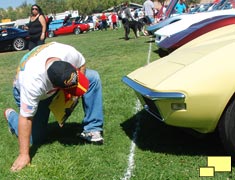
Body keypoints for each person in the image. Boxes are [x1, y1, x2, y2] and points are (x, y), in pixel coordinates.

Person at [4, 42, 104, 172]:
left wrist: (73, 93)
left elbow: (82, 65)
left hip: (54, 87)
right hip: (30, 94)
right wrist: (24, 155)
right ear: (55, 85)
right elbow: (26, 118)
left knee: (93, 77)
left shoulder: (68, 52)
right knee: (35, 138)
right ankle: (10, 116)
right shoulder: (32, 83)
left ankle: (93, 128)